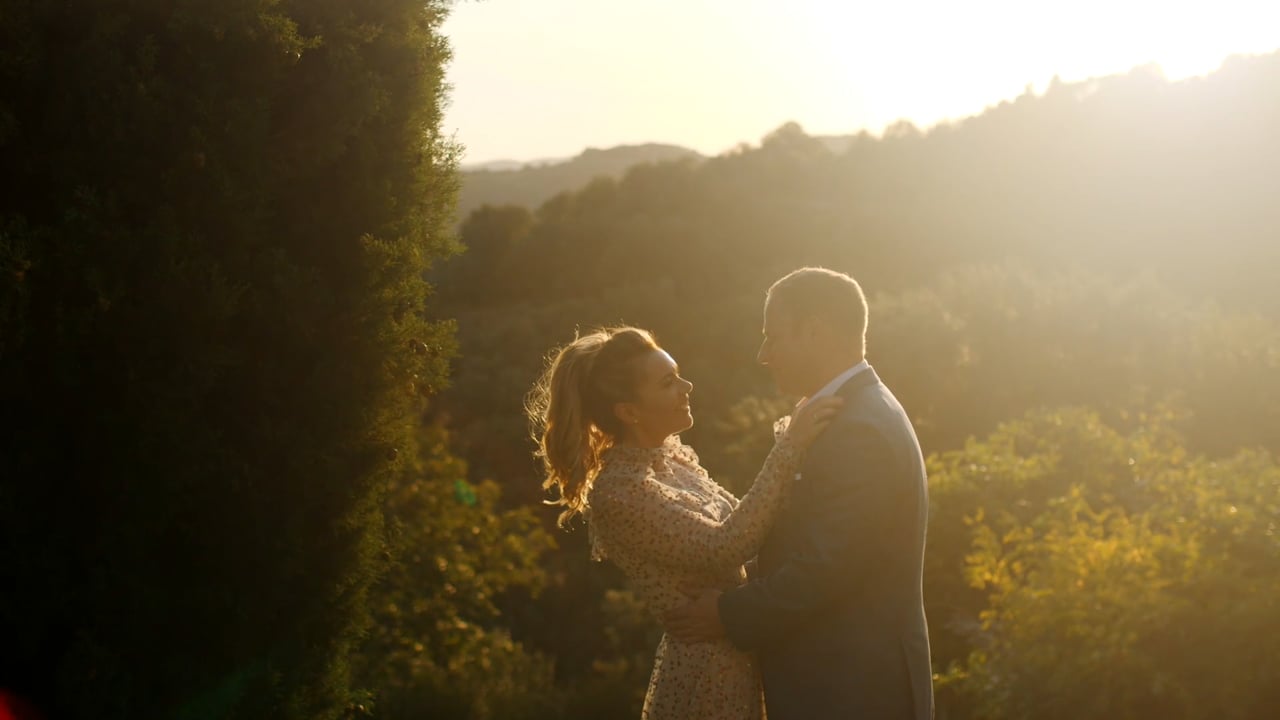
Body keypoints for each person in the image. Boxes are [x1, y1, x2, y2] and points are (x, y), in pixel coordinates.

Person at [526, 326, 842, 720]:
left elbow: (751, 523)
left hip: (743, 649)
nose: (687, 386)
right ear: (629, 411)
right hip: (708, 675)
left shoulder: (670, 458)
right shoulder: (619, 493)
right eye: (668, 382)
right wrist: (789, 448)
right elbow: (726, 545)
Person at [664, 267, 935, 720]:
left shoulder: (859, 428)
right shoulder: (853, 412)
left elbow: (828, 565)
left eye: (774, 337)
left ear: (814, 332)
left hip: (855, 690)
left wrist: (727, 613)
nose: (763, 355)